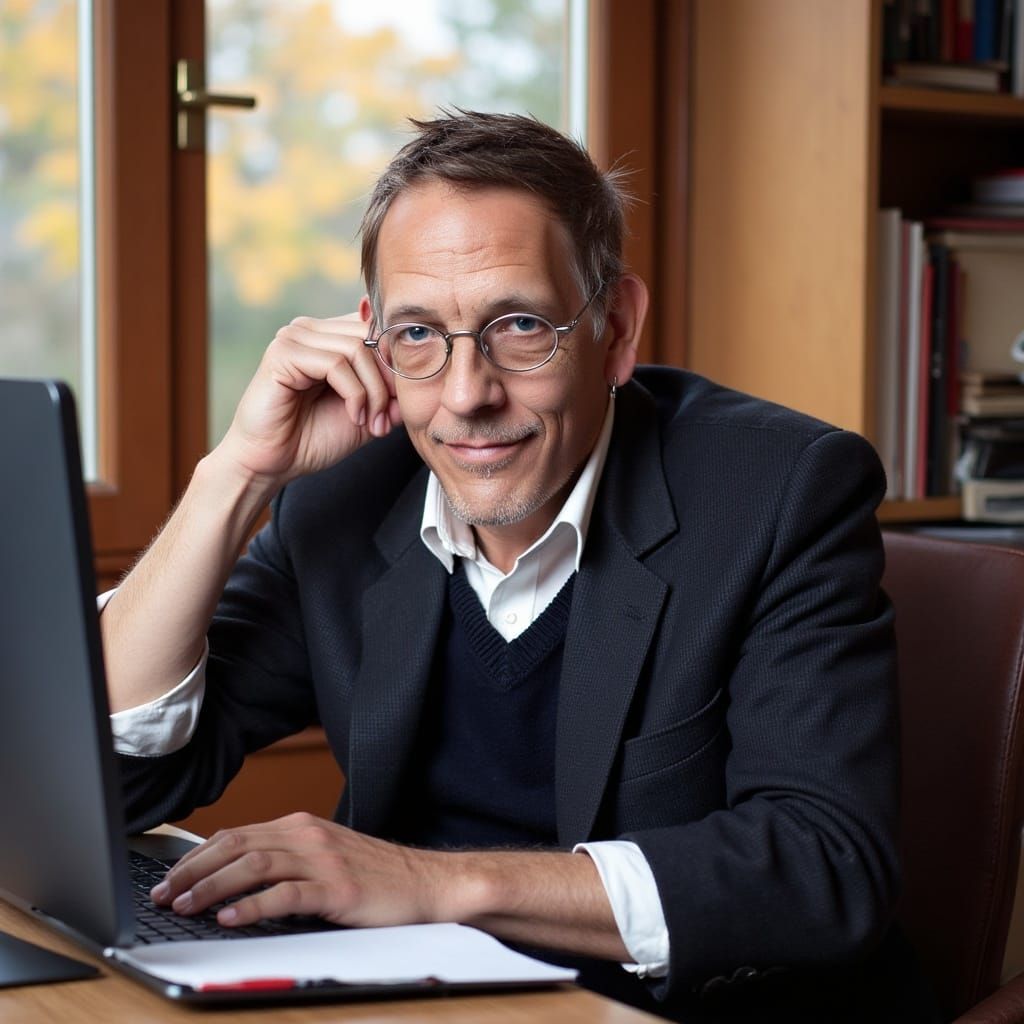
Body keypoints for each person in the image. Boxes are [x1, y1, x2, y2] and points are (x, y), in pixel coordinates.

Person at [100, 110, 938, 1022]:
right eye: (419, 334)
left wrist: (434, 884)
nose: (467, 395)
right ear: (372, 338)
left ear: (615, 328)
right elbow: (127, 773)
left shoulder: (778, 491)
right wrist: (237, 474)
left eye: (521, 324)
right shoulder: (346, 497)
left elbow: (824, 869)